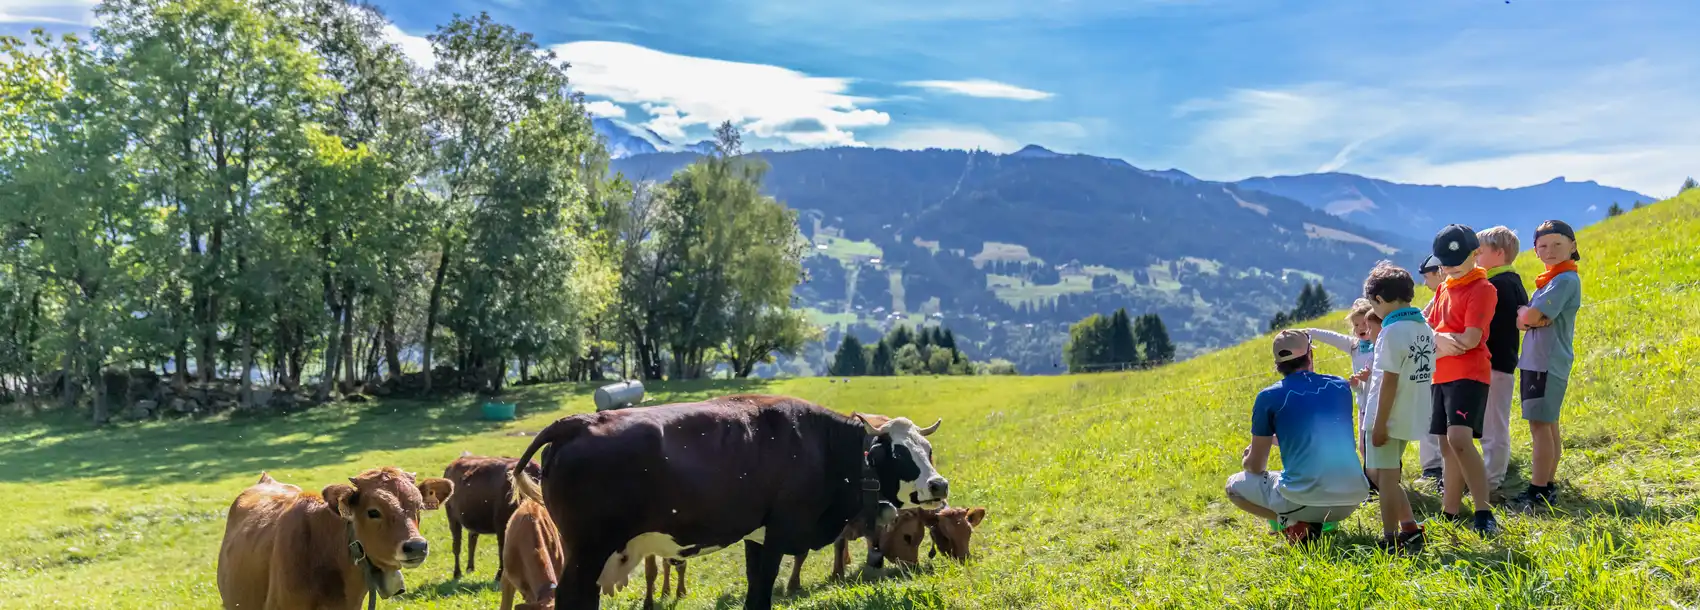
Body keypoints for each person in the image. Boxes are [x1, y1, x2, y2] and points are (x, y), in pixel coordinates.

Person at [1225, 330, 1369, 544]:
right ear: (1310, 354)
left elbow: (1256, 466)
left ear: (1277, 364)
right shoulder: (1340, 386)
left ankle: (1292, 522)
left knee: (1232, 487)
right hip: (1352, 498)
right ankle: (1319, 524)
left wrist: (1247, 458)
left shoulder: (1268, 397)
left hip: (1305, 501)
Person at [1426, 224, 1500, 535]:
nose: (1450, 268)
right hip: (1440, 375)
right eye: (1444, 263)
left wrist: (1438, 341)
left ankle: (1484, 511)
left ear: (1475, 253)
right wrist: (1440, 340)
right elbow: (1429, 328)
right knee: (1445, 444)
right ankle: (1450, 510)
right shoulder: (1443, 288)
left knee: (1459, 439)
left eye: (1457, 262)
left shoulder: (1482, 289)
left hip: (1469, 374)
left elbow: (1470, 340)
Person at [1362, 261, 1434, 553]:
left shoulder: (1391, 331)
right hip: (1409, 412)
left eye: (1373, 305)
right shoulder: (1423, 327)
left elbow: (1388, 381)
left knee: (1386, 479)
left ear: (1379, 299)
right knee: (1383, 475)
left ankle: (1391, 538)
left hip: (1387, 415)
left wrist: (1380, 424)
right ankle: (1410, 528)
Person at [1514, 220, 1583, 508]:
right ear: (1535, 250)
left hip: (1545, 362)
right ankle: (1547, 483)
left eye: (1557, 244)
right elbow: (1527, 322)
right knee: (1548, 423)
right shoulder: (1551, 280)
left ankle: (1538, 490)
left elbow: (1529, 318)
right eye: (1543, 245)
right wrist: (1529, 317)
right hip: (1539, 360)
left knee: (1540, 426)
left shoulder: (1564, 280)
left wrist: (1525, 313)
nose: (1550, 250)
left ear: (1572, 246)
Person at [1302, 299, 1381, 495]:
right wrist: (1308, 332)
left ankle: (1382, 484)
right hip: (1364, 406)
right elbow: (1331, 337)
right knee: (1363, 446)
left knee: (1381, 445)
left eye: (1364, 323)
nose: (1361, 328)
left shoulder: (1382, 343)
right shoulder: (1354, 346)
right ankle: (1374, 485)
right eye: (1356, 324)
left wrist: (1369, 375)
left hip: (1383, 404)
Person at [1476, 226, 1531, 491]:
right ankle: (1489, 473)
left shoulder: (1497, 285)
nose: (1475, 256)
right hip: (1500, 362)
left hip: (1494, 363)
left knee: (1493, 426)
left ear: (1499, 253)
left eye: (1480, 251)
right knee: (1491, 422)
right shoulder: (1512, 281)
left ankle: (1492, 479)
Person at [1415, 254, 1447, 485]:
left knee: (1432, 418)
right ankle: (1437, 468)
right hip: (1434, 363)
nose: (1425, 284)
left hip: (1442, 363)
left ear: (1438, 272)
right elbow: (1423, 319)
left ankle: (1436, 468)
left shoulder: (1448, 293)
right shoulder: (1439, 295)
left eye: (1427, 277)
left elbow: (1424, 322)